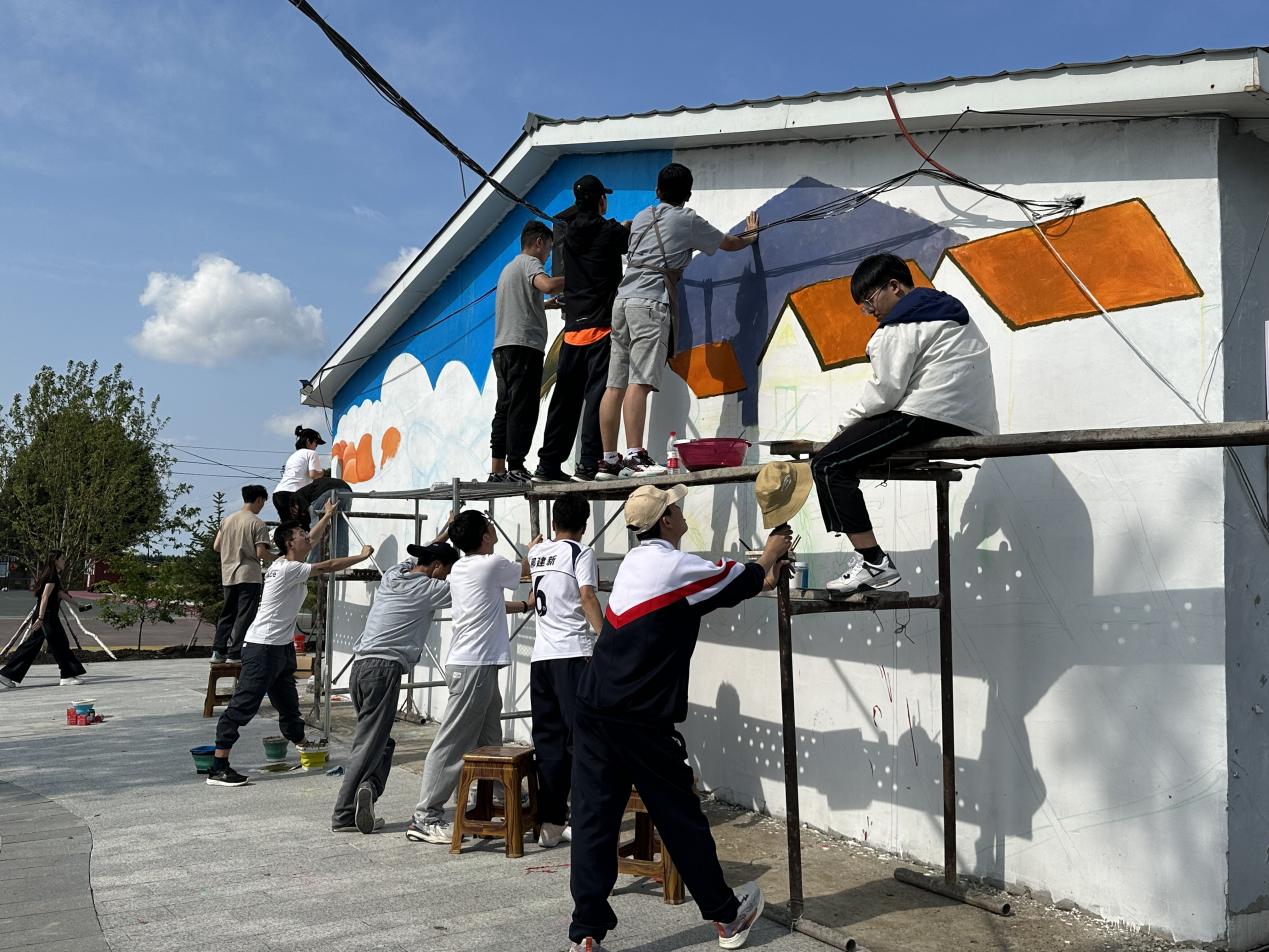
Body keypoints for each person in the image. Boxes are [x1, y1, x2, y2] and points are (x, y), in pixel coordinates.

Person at [566, 485, 791, 952]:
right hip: (638, 717)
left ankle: (586, 932)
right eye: (675, 507)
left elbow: (710, 593)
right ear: (665, 521)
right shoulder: (674, 566)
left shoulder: (637, 562)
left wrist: (762, 579)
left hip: (593, 706)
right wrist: (771, 549)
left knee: (593, 822)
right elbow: (735, 576)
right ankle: (727, 916)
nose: (681, 510)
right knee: (679, 817)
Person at [811, 253, 997, 594]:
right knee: (845, 457)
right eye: (864, 307)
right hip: (966, 419)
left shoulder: (901, 324)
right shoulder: (944, 309)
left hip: (929, 413)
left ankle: (873, 562)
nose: (870, 312)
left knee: (827, 464)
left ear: (894, 286)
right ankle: (870, 560)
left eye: (869, 301)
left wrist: (842, 429)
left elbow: (884, 393)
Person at [596, 163, 759, 479]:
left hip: (622, 300)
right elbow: (728, 243)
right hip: (649, 302)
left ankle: (608, 460)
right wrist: (749, 237)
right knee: (640, 381)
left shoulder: (642, 216)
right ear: (688, 195)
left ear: (658, 191)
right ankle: (635, 456)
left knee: (614, 384)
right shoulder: (688, 220)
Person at [206, 498, 373, 787]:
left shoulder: (290, 562)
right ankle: (218, 766)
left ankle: (303, 744)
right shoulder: (286, 569)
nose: (307, 536)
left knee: (288, 703)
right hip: (262, 648)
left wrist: (328, 516)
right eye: (301, 534)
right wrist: (361, 556)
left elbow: (314, 538)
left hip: (280, 648)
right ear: (289, 544)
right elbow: (328, 565)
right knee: (243, 705)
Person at [406, 509, 538, 843]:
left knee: (490, 736)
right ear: (485, 536)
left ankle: (495, 795)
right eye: (490, 525)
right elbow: (526, 568)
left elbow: (490, 607)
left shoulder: (463, 569)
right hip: (474, 666)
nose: (494, 527)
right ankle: (425, 816)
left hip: (476, 665)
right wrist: (535, 549)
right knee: (453, 741)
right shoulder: (490, 565)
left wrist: (524, 606)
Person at [330, 537, 460, 834]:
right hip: (384, 670)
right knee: (368, 745)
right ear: (437, 566)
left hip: (360, 668)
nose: (447, 577)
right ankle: (344, 814)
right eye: (447, 570)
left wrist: (443, 534)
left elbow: (416, 558)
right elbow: (475, 591)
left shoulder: (393, 575)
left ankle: (368, 788)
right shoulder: (430, 589)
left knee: (380, 742)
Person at [534, 175, 630, 483]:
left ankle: (548, 464)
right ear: (601, 200)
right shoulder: (609, 231)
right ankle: (588, 463)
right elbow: (627, 239)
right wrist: (626, 226)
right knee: (597, 398)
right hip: (601, 328)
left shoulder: (568, 233)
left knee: (565, 401)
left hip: (573, 329)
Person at [527, 494, 602, 847]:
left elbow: (533, 568)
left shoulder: (536, 554)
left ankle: (551, 822)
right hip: (573, 654)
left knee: (549, 742)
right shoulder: (581, 552)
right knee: (582, 740)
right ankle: (584, 818)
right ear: (584, 526)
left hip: (541, 658)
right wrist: (606, 639)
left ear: (554, 522)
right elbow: (587, 596)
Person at [489, 221, 566, 483]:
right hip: (525, 348)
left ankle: (498, 470)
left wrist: (546, 305)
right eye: (549, 250)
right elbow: (548, 285)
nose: (548, 256)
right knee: (524, 408)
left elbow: (521, 304)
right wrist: (578, 277)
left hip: (502, 348)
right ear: (539, 242)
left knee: (505, 408)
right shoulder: (531, 263)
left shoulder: (508, 269)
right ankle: (516, 466)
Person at [0, 551, 91, 688]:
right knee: (60, 644)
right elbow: (44, 596)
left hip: (47, 616)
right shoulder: (51, 576)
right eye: (62, 559)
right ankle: (67, 676)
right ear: (55, 561)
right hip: (46, 617)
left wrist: (78, 605)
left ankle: (6, 675)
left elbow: (60, 594)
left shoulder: (54, 576)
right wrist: (41, 618)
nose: (64, 561)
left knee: (32, 646)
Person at [210, 484, 273, 664]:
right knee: (245, 615)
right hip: (248, 574)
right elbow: (261, 553)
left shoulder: (227, 520)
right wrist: (278, 558)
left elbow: (216, 546)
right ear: (259, 500)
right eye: (263, 502)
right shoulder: (257, 523)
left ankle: (217, 652)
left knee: (227, 614)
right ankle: (235, 653)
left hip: (228, 573)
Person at [273, 425, 349, 529]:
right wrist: (322, 472)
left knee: (289, 529)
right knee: (305, 527)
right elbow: (313, 475)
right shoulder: (311, 453)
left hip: (278, 494)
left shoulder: (293, 456)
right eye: (316, 443)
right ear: (308, 441)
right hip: (294, 494)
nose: (316, 446)